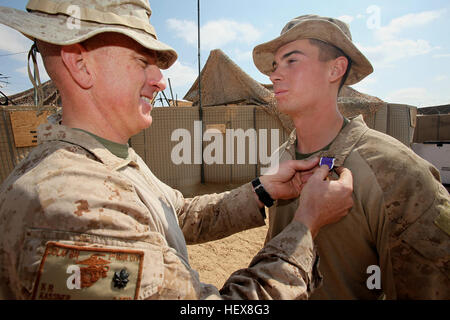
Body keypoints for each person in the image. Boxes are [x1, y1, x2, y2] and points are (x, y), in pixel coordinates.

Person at [0, 2, 354, 300]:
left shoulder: (111, 160)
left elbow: (180, 215)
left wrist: (263, 189)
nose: (160, 80)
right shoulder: (71, 206)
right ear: (80, 64)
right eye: (142, 62)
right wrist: (306, 226)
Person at [253, 14, 450, 299]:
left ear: (335, 69)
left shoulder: (397, 171)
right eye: (275, 65)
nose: (274, 75)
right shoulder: (278, 160)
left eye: (291, 61)